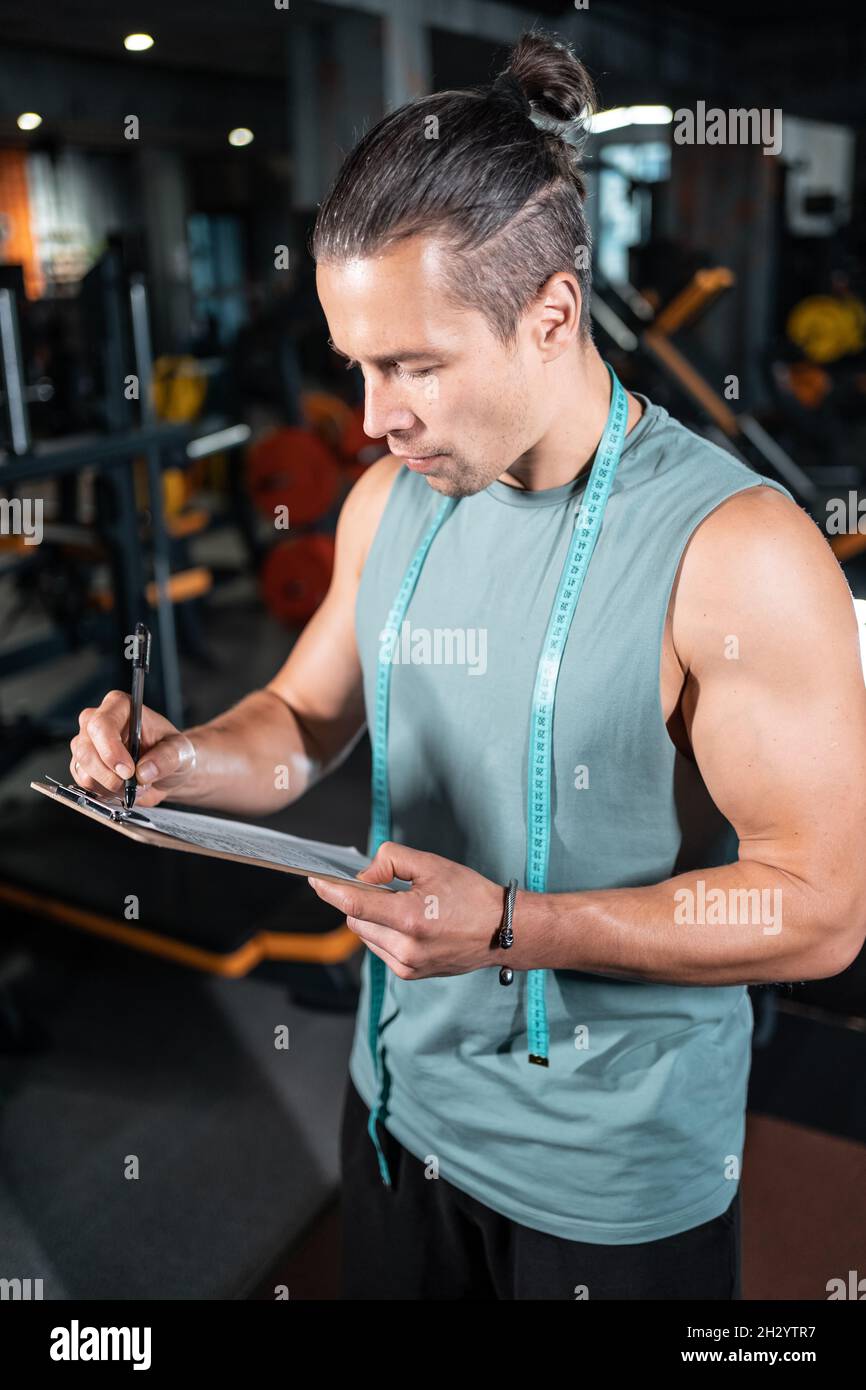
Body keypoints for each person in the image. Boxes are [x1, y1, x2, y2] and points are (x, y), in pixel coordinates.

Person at [70, 31, 866, 1300]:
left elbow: (821, 908)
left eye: (413, 367)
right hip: (396, 1123)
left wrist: (507, 926)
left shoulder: (737, 553)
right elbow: (301, 718)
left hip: (609, 1183)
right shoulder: (391, 501)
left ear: (551, 314)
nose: (374, 416)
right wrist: (182, 759)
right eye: (358, 367)